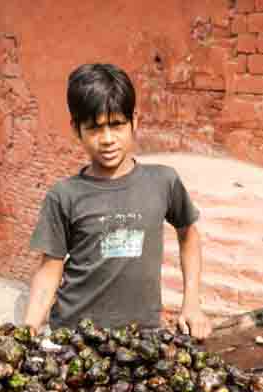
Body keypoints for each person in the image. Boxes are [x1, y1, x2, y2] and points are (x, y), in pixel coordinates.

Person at [24, 63, 211, 340]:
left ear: (134, 120)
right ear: (76, 129)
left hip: (143, 337)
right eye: (94, 128)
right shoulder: (63, 195)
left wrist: (192, 304)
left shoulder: (163, 181)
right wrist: (27, 330)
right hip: (75, 338)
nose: (108, 139)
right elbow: (50, 269)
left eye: (117, 125)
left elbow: (189, 235)